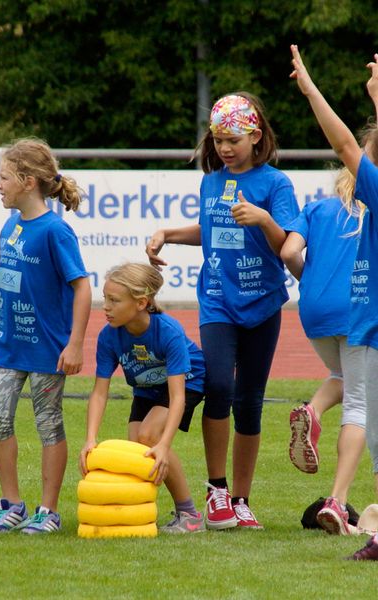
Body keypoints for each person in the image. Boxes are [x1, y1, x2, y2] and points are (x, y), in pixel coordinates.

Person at [146, 93, 299, 530]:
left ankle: (241, 499)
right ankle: (216, 491)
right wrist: (167, 233)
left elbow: (287, 246)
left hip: (263, 303)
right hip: (216, 300)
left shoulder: (275, 184)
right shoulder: (211, 182)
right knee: (217, 386)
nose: (224, 148)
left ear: (255, 135)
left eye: (232, 139)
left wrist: (264, 219)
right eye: (217, 140)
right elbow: (209, 230)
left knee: (249, 403)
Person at [0, 138, 91, 535]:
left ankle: (48, 510)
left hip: (45, 347)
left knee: (48, 424)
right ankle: (11, 504)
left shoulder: (55, 231)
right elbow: (6, 278)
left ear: (27, 181)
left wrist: (74, 344)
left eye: (4, 177)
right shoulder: (11, 224)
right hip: (6, 340)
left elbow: (82, 288)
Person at [290, 43, 378, 559]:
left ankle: (349, 508)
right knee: (372, 423)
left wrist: (311, 91)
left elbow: (345, 143)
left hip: (369, 323)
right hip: (362, 321)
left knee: (367, 413)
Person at [79, 263, 206, 533]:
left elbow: (177, 395)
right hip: (147, 387)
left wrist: (165, 443)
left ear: (141, 303)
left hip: (188, 380)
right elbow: (100, 392)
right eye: (105, 298)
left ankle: (190, 516)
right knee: (136, 445)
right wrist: (90, 438)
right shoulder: (108, 337)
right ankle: (140, 512)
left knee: (149, 437)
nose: (106, 307)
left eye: (114, 300)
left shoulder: (168, 331)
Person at [281, 167, 367, 534]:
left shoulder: (316, 210)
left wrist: (311, 280)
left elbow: (288, 251)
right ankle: (337, 499)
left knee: (343, 376)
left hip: (314, 309)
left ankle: (313, 411)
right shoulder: (372, 212)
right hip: (358, 308)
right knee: (361, 402)